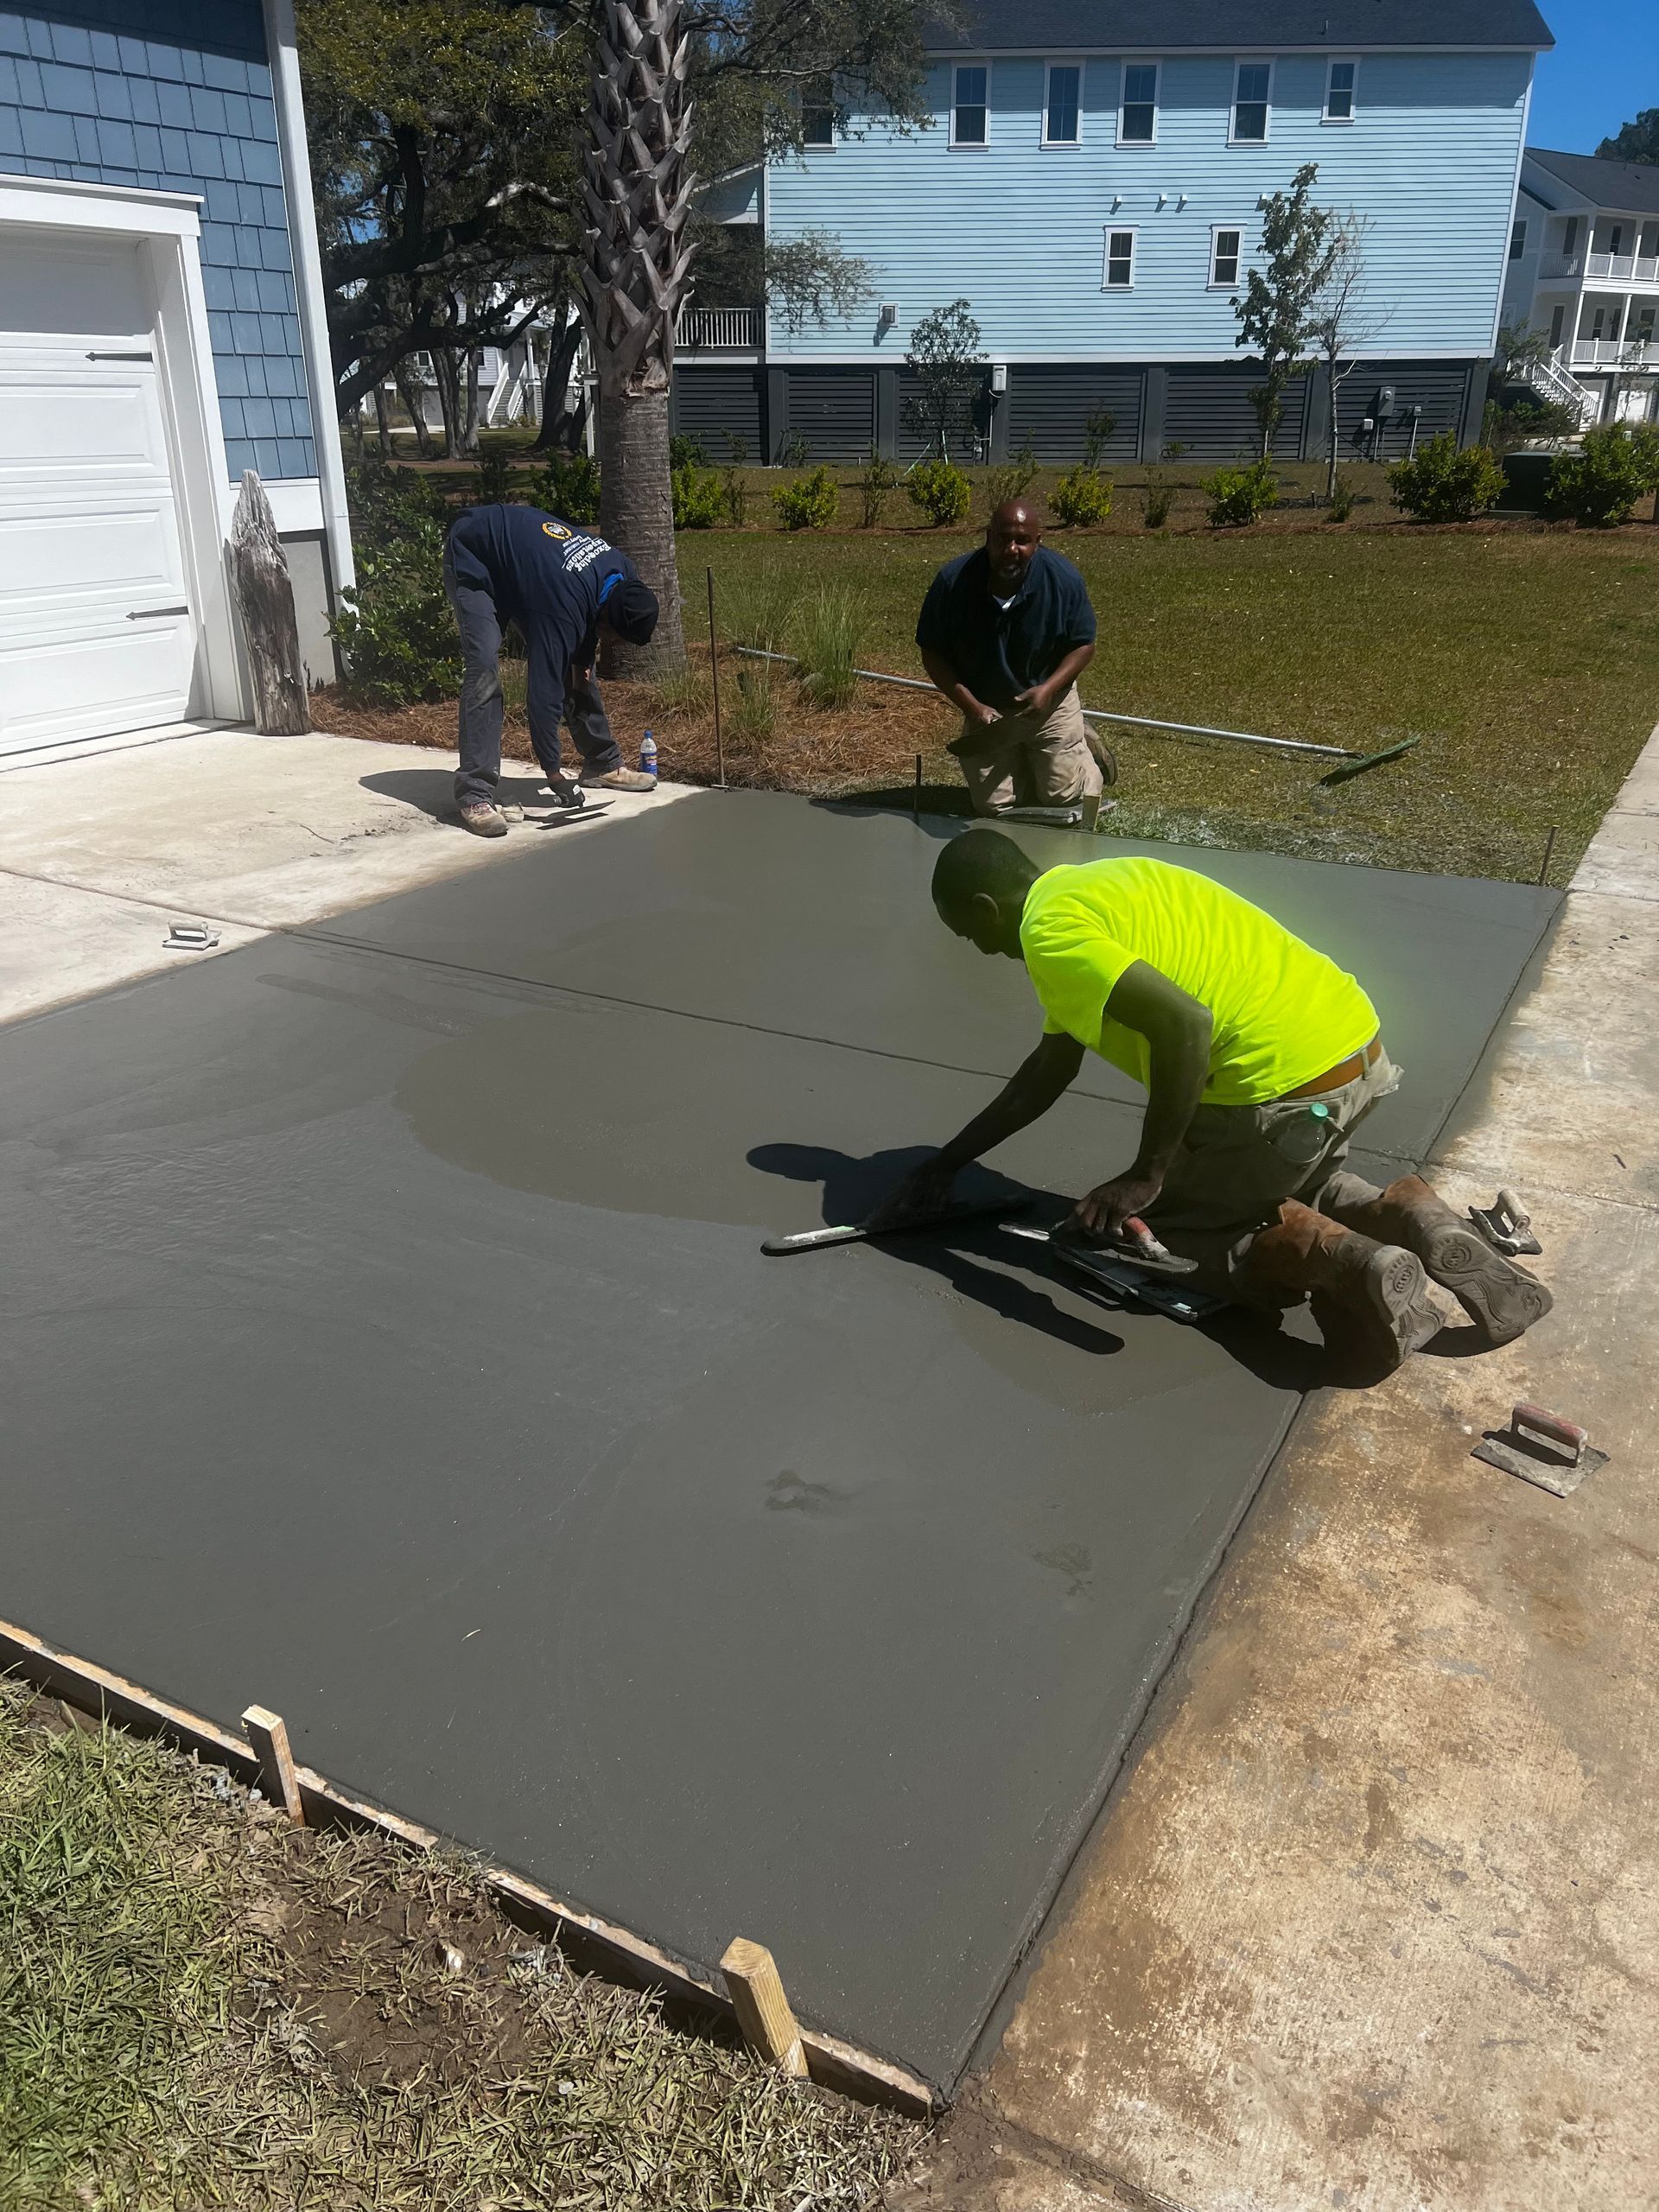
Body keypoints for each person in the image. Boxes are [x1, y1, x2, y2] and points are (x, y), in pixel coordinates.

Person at [873, 831, 1554, 1376]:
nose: (983, 950)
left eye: (970, 934)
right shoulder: (1107, 882)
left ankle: (1345, 1260)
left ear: (987, 910)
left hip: (1280, 1091)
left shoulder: (1049, 936)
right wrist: (949, 1162)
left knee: (1160, 1240)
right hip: (1351, 1052)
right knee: (1290, 1176)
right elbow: (1048, 1068)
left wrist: (1148, 1173)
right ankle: (1413, 1218)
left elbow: (1186, 1026)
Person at [443, 503, 661, 836]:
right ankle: (475, 793)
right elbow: (542, 698)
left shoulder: (624, 572)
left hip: (530, 571)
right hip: (477, 558)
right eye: (616, 637)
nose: (615, 645)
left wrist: (581, 661)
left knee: (580, 668)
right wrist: (554, 774)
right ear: (610, 617)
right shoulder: (563, 608)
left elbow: (588, 621)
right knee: (484, 668)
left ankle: (601, 763)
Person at [916, 499, 1107, 817]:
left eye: (1023, 541)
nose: (1012, 549)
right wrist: (972, 707)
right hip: (988, 711)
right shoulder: (953, 582)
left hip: (1050, 701)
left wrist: (1047, 690)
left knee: (1062, 796)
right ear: (988, 537)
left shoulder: (1063, 580)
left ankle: (1085, 753)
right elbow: (932, 653)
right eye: (1004, 539)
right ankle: (1030, 758)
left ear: (1038, 542)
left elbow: (1084, 645)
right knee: (993, 806)